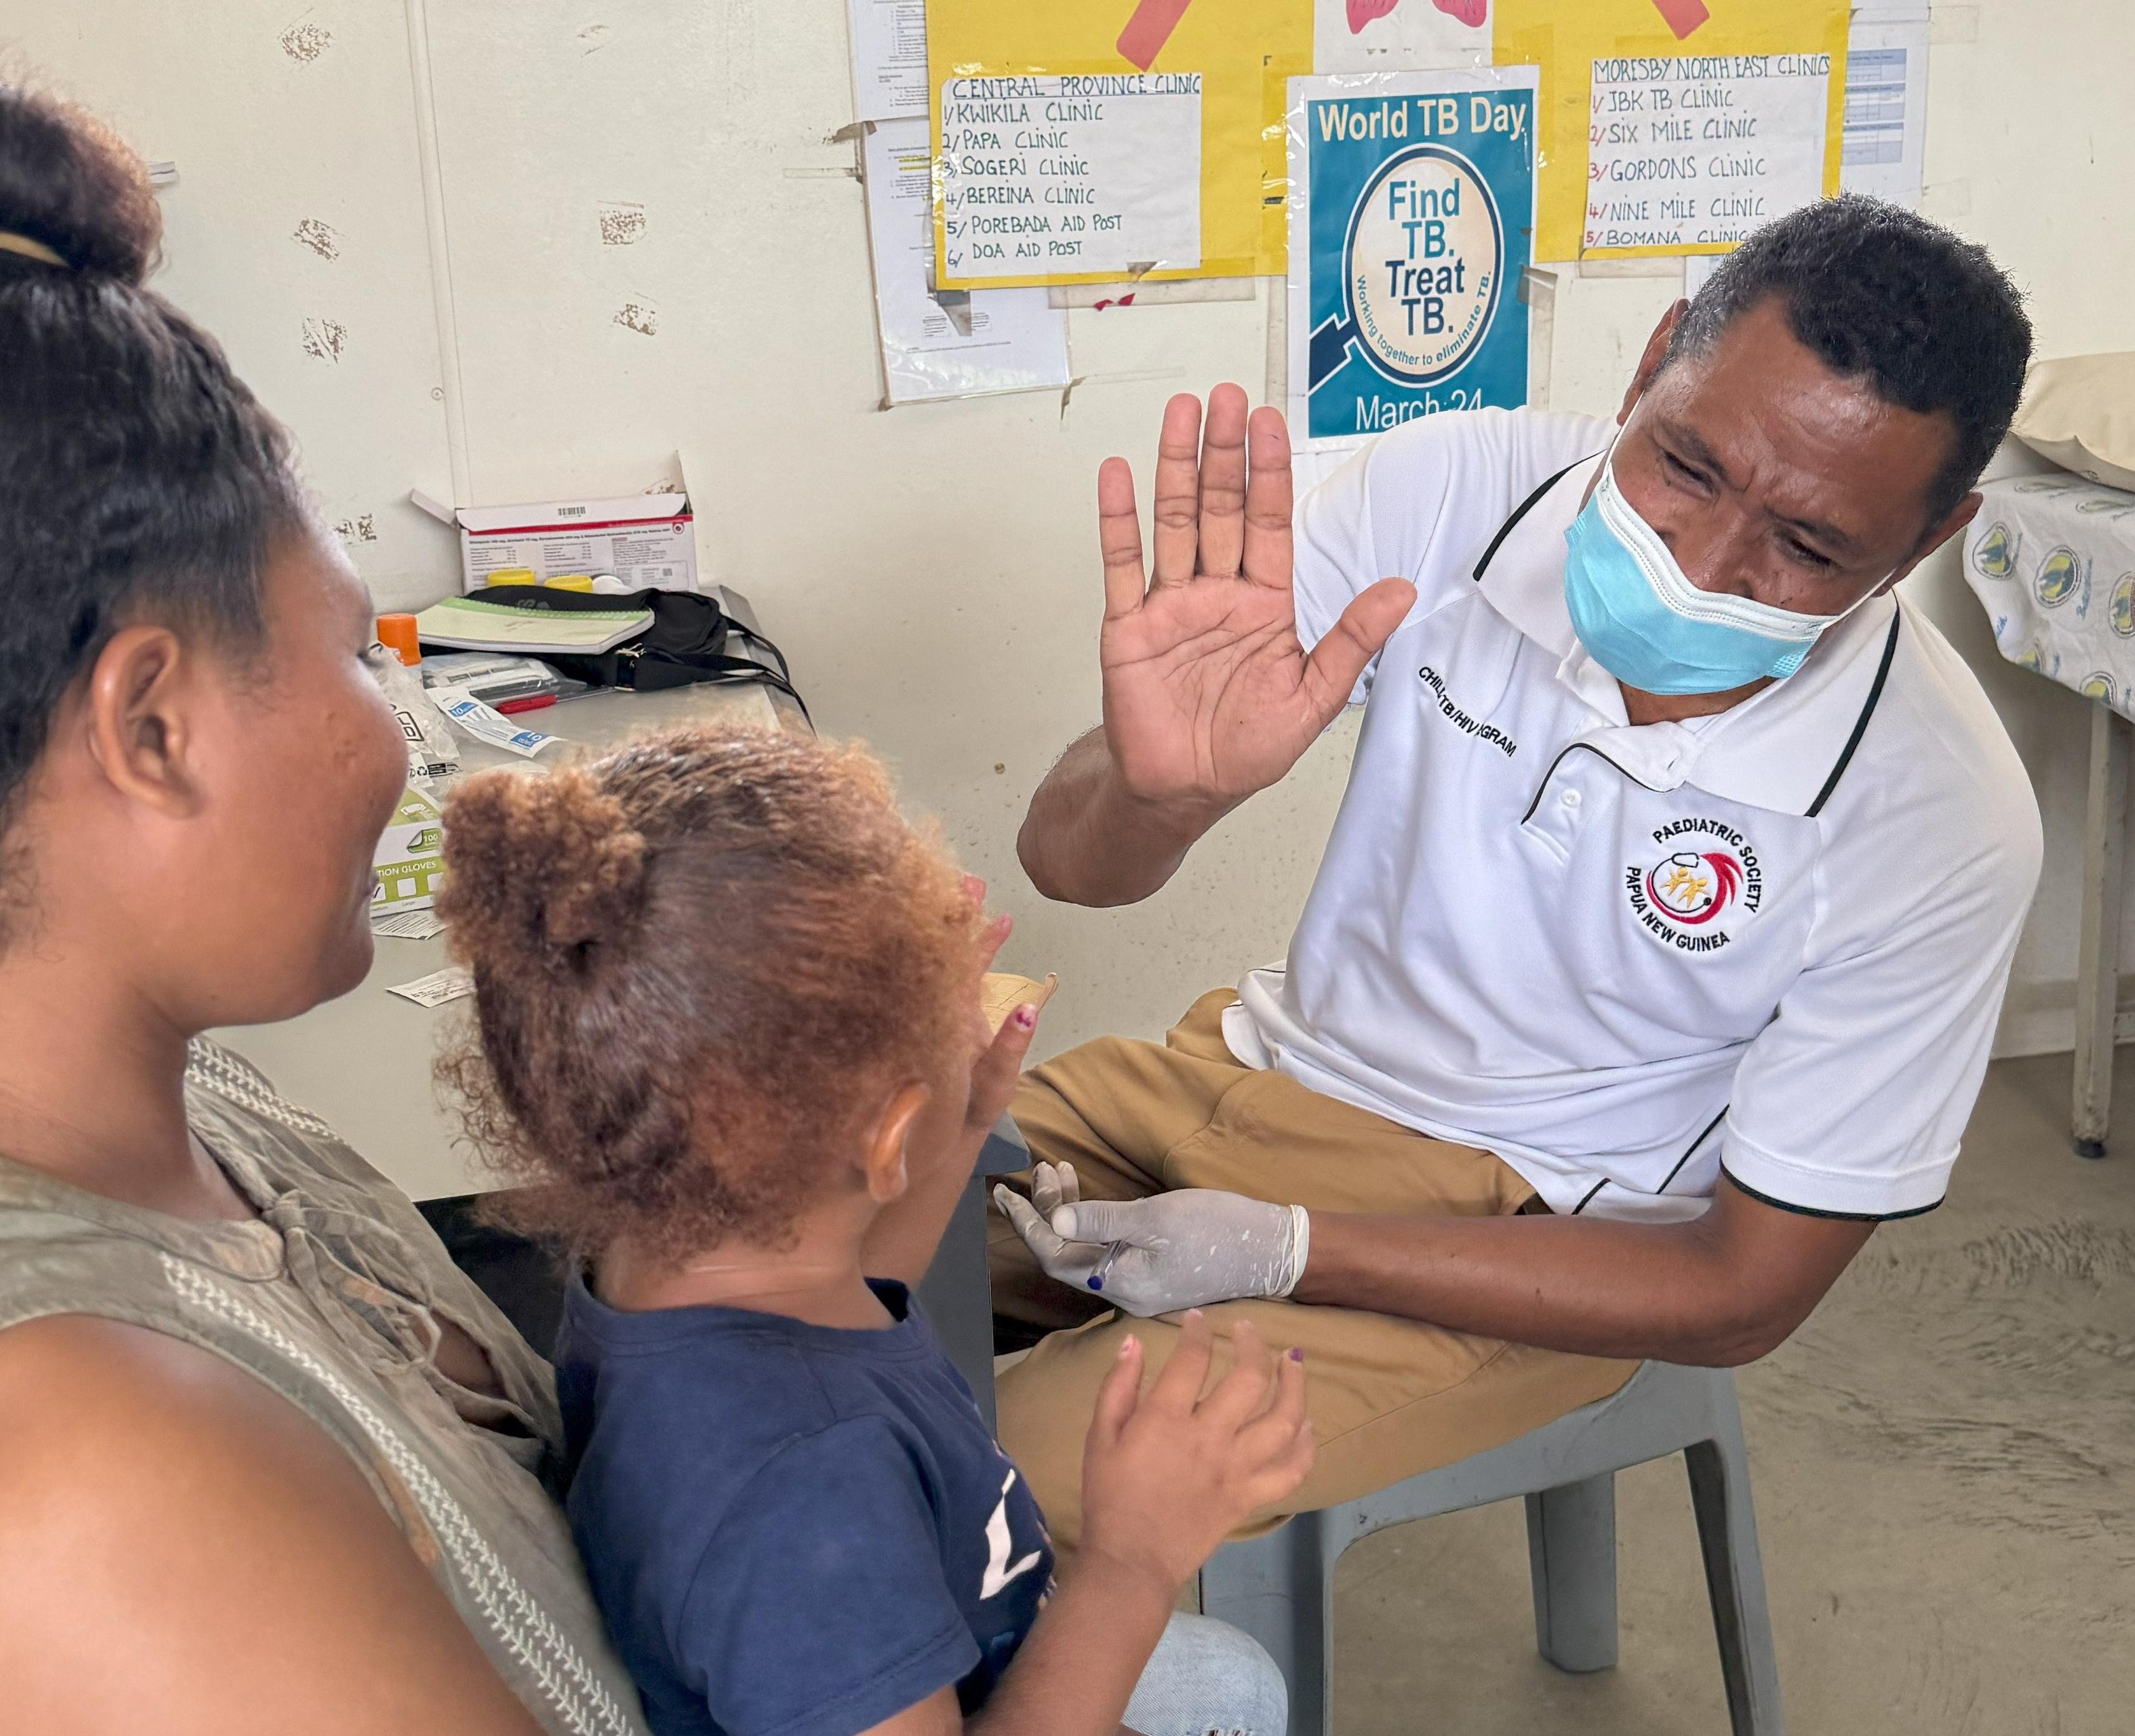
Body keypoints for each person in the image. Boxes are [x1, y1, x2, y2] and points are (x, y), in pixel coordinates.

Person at [0, 65, 639, 1735]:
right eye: (355, 651)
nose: (401, 733)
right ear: (149, 726)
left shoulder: (166, 1104)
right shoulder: (69, 1495)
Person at [989, 196, 2043, 1547]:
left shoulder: (1934, 817)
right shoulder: (1450, 493)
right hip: (1242, 1073)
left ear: (1928, 538)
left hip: (1534, 1232)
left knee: (982, 1484)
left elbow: (1741, 1295)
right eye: (1686, 465)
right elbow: (1063, 866)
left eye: (1806, 546)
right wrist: (1155, 797)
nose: (1697, 566)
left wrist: (1290, 1247)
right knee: (763, 1213)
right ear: (1652, 358)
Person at [434, 727, 1308, 1736]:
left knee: (1234, 1682)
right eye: (949, 1012)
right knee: (1234, 1688)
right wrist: (1132, 1562)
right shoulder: (801, 1498)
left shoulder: (664, 1258)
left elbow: (853, 1295)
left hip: (930, 1636)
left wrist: (965, 1113)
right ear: (886, 1135)